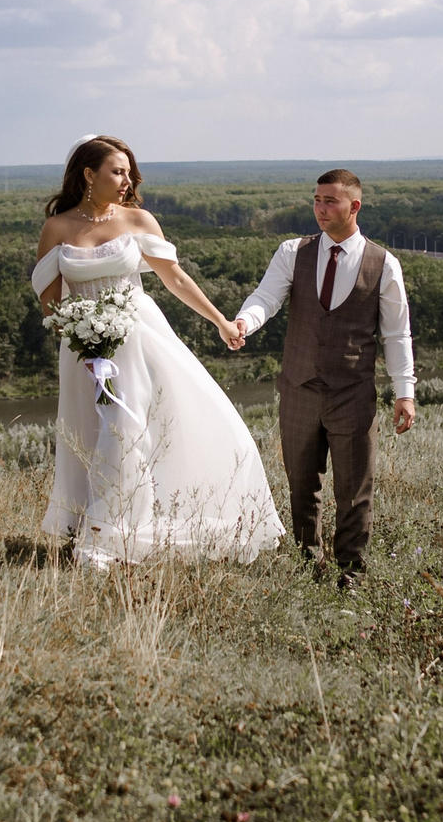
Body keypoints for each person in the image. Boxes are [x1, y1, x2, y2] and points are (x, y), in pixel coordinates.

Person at [31, 134, 285, 566]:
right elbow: (49, 298)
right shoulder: (57, 227)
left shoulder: (139, 221)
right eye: (117, 171)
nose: (127, 179)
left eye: (130, 172)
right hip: (82, 350)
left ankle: (113, 536)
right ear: (89, 174)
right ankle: (94, 527)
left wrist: (221, 321)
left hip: (137, 339)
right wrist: (79, 334)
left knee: (132, 430)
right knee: (92, 434)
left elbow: (176, 280)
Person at [227, 167, 416, 581]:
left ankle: (352, 575)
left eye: (330, 200)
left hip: (352, 393)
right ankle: (305, 566)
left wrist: (405, 392)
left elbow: (396, 334)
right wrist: (245, 322)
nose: (320, 208)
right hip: (299, 389)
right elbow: (266, 297)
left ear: (355, 206)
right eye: (316, 199)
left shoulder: (384, 265)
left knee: (353, 492)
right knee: (300, 486)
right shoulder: (293, 252)